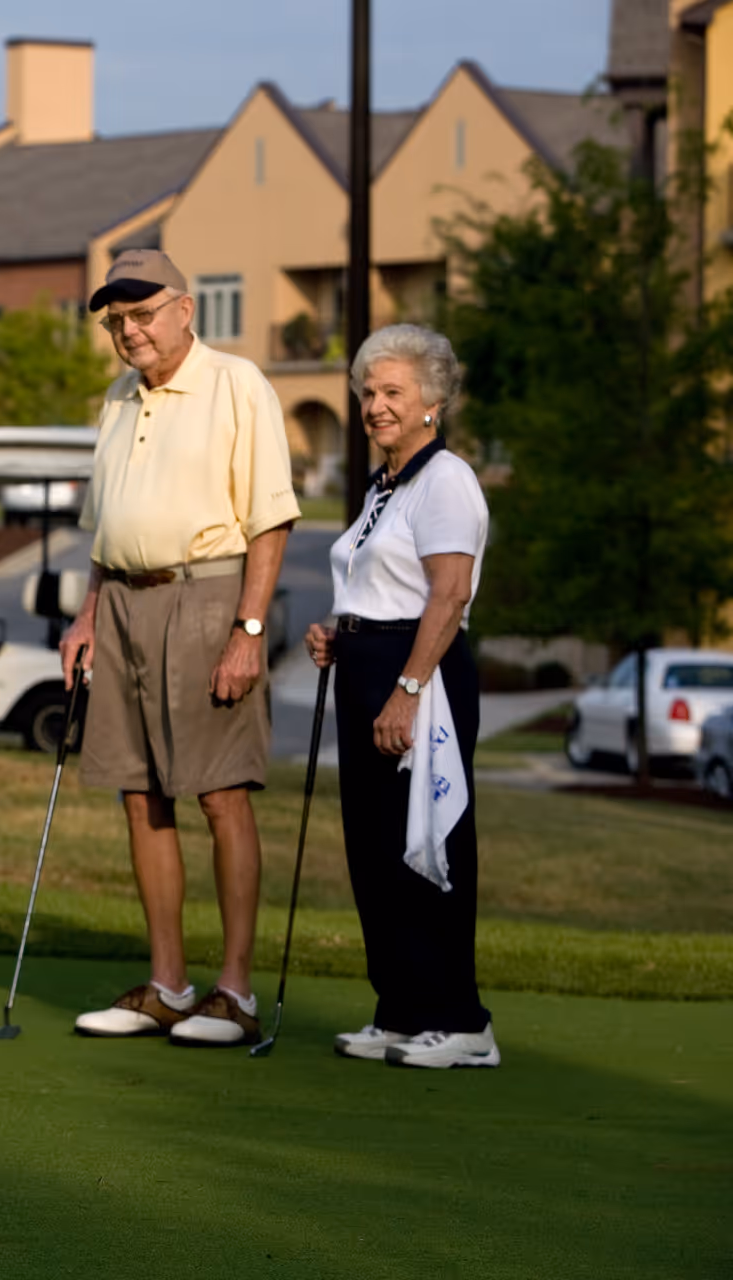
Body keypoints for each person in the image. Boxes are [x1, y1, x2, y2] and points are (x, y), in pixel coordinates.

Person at [62, 249, 301, 1047]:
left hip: (208, 596)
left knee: (220, 791)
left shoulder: (237, 383)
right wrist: (87, 612)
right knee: (139, 792)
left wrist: (250, 630)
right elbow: (108, 523)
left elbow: (270, 518)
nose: (130, 332)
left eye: (142, 314)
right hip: (123, 601)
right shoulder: (117, 399)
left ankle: (234, 991)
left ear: (185, 309)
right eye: (116, 320)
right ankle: (168, 984)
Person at [304, 324, 497, 1069]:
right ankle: (402, 1008)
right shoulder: (386, 483)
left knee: (430, 844)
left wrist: (407, 690)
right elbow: (377, 583)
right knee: (375, 847)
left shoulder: (447, 479)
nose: (375, 405)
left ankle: (460, 1022)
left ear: (433, 402)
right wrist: (334, 631)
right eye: (367, 392)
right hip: (368, 662)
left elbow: (447, 598)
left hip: (421, 672)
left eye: (392, 392)